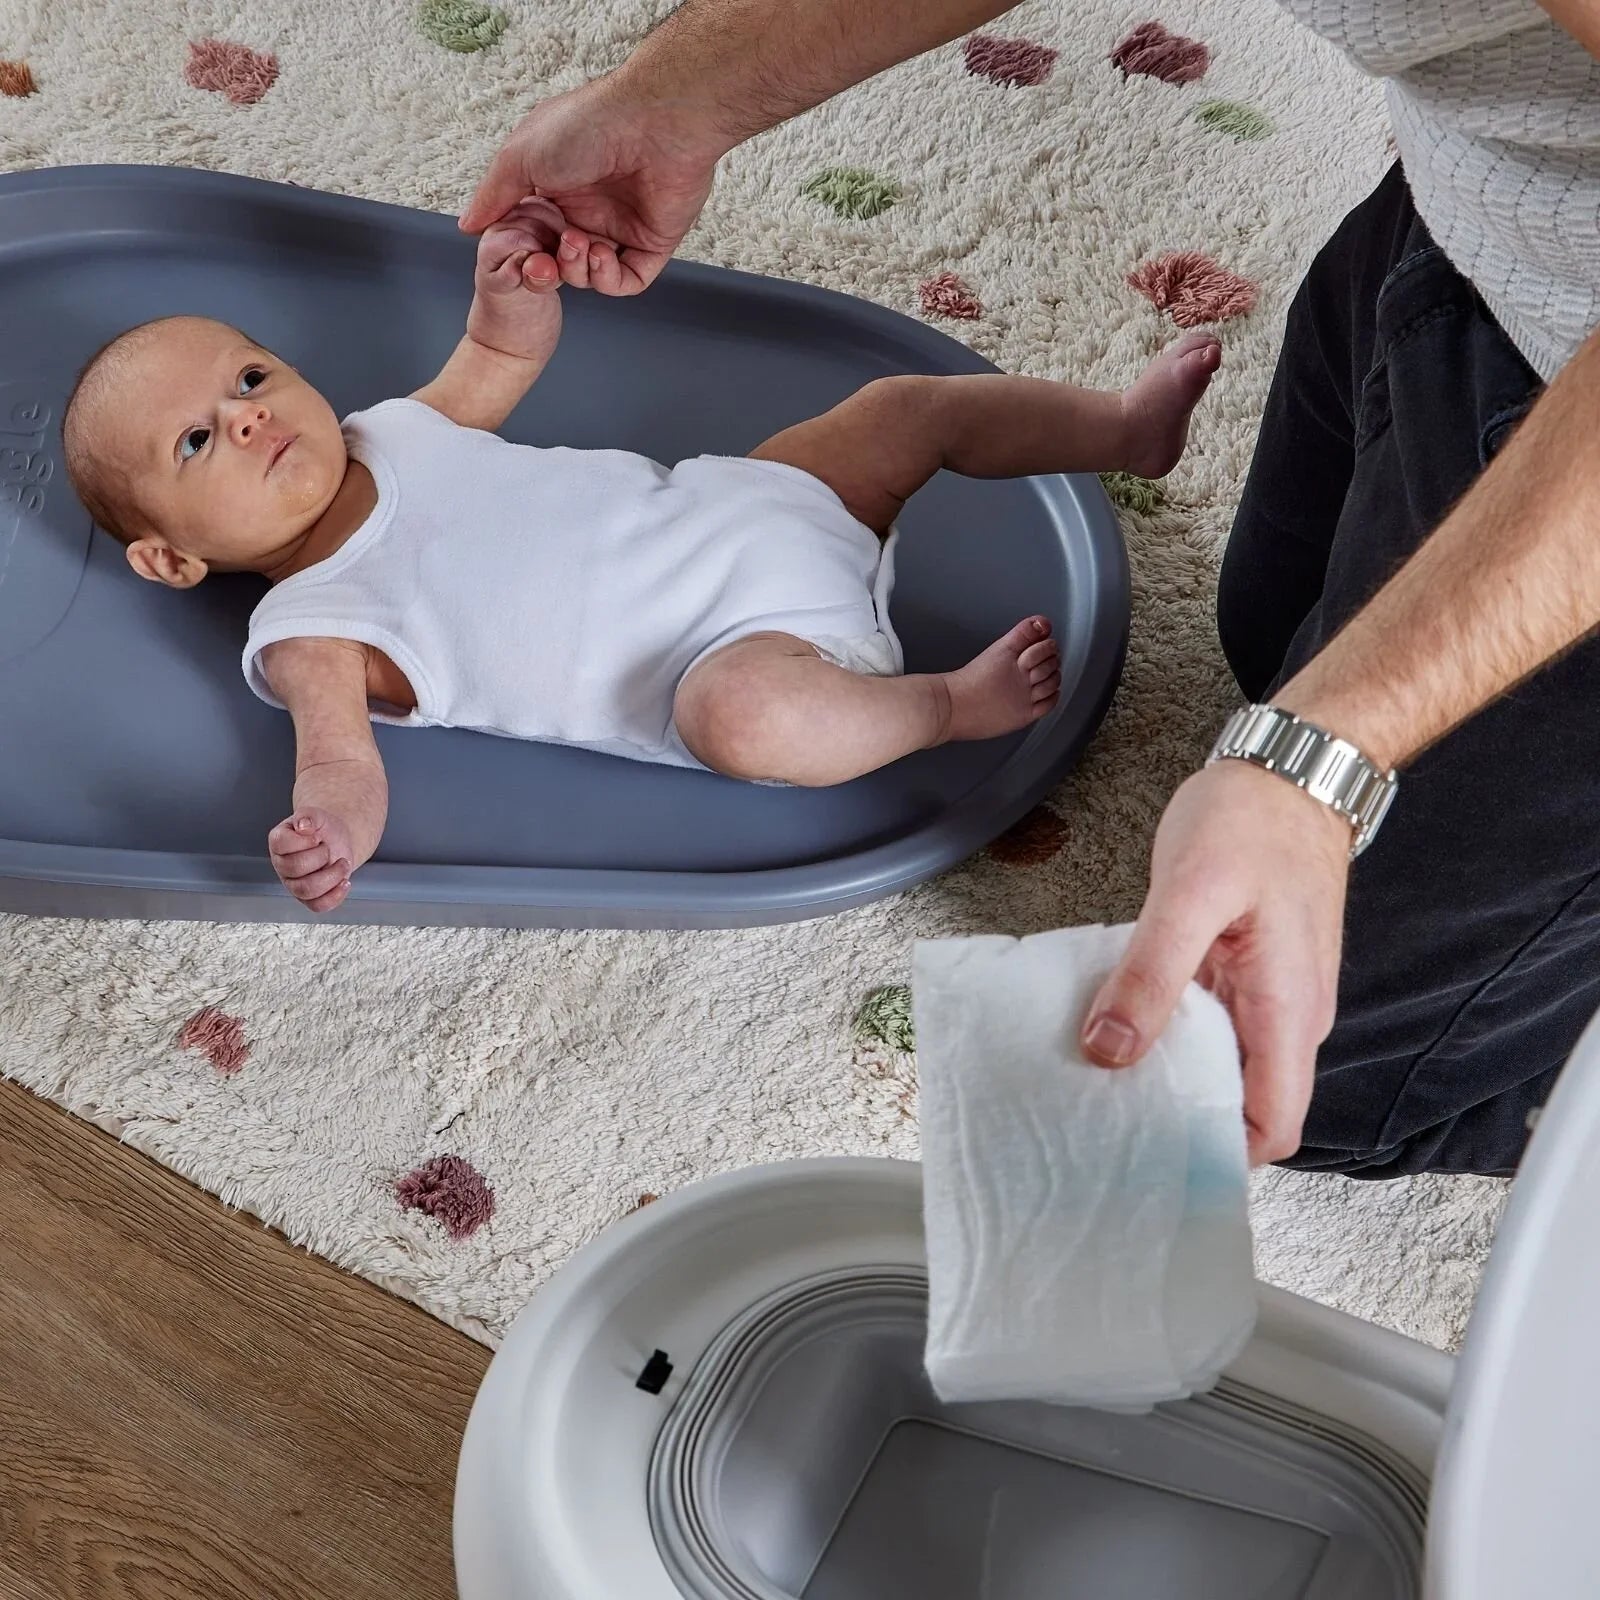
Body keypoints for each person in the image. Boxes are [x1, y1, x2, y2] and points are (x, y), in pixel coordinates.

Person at [458, 0, 1600, 1177]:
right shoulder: (362, 518)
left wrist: (1318, 759)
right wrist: (671, 99)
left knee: (1292, 1072)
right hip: (1484, 225)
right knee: (1264, 637)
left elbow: (489, 370)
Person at [59, 201, 1227, 912]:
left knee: (901, 410)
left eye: (250, 377)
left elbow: (493, 361)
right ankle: (941, 707)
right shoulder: (313, 623)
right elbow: (337, 761)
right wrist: (330, 835)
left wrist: (511, 297)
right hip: (748, 656)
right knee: (744, 721)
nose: (249, 417)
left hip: (772, 502)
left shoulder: (392, 430)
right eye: (197, 440)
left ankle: (1120, 431)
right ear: (172, 561)